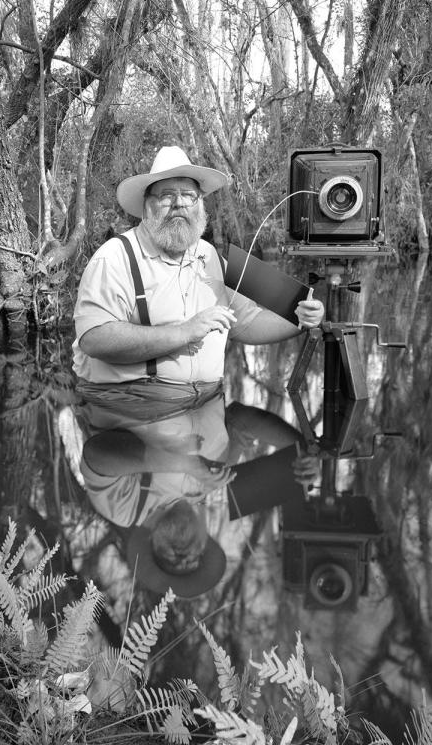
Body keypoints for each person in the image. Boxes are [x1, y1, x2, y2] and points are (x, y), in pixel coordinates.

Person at [72, 145, 325, 413]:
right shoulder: (114, 258)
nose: (179, 203)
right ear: (146, 207)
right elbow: (94, 338)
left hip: (208, 403)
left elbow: (246, 323)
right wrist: (185, 331)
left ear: (200, 205)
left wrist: (300, 319)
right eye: (167, 195)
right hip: (133, 404)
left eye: (189, 196)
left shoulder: (210, 256)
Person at [77, 391, 319, 599]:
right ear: (206, 536)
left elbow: (96, 454)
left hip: (124, 373)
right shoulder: (214, 480)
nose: (182, 555)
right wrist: (299, 449)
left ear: (151, 543)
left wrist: (183, 464)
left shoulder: (125, 510)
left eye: (170, 560)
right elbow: (242, 420)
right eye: (195, 557)